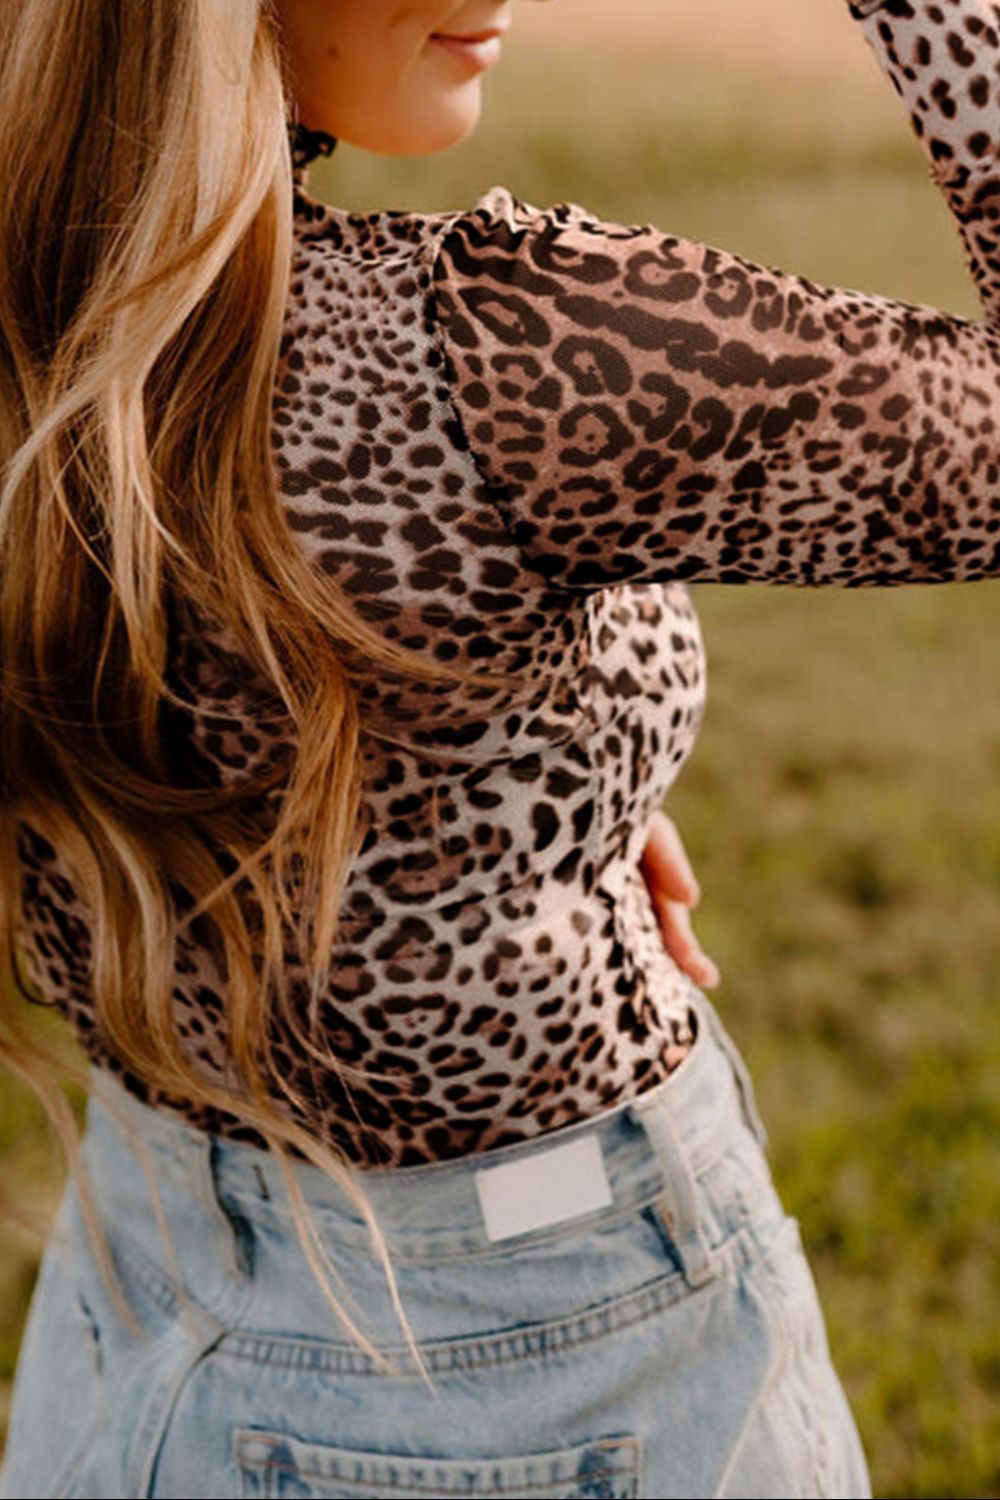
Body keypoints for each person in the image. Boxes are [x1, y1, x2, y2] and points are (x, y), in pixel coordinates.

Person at [0, 0, 996, 1494]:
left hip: (129, 1316)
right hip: (542, 1358)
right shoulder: (499, 352)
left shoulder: (42, 308)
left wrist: (513, 779)